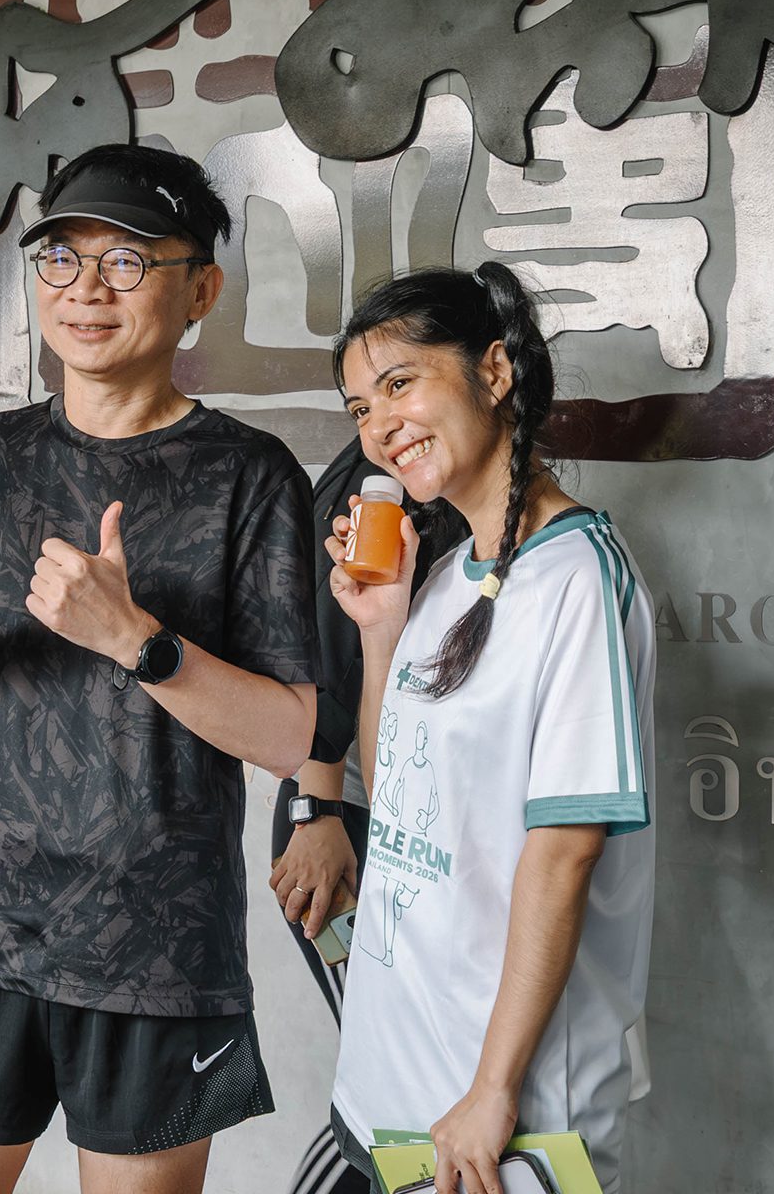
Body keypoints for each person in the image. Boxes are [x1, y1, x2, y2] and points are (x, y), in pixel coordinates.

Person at [0, 142, 321, 1194]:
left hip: (157, 952)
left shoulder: (249, 476)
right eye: (63, 259)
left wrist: (137, 642)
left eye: (127, 262)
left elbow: (294, 735)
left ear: (200, 289)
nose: (85, 290)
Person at [322, 265, 657, 1194]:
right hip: (393, 1081)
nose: (380, 426)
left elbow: (564, 855)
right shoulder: (442, 576)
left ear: (496, 371)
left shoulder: (578, 577)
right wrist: (382, 634)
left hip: (497, 1115)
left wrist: (492, 1090)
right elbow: (399, 795)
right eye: (360, 409)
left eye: (400, 383)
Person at [267, 439, 466, 1194]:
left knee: (424, 1073)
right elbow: (319, 653)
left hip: (416, 826)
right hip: (343, 826)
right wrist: (316, 811)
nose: (386, 417)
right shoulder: (376, 484)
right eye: (364, 401)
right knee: (393, 1078)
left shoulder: (458, 485)